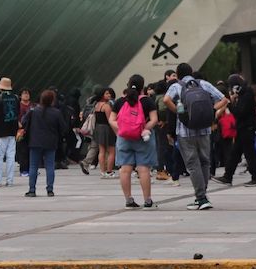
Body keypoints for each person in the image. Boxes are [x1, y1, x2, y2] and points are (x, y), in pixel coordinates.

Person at [163, 63, 228, 210]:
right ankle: (202, 195)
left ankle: (201, 197)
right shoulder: (203, 83)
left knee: (192, 164)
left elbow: (166, 100)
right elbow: (224, 99)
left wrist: (180, 113)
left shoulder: (176, 86)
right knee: (205, 161)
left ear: (178, 74)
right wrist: (210, 111)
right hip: (205, 129)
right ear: (191, 72)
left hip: (185, 131)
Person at [115, 75, 159, 209]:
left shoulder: (120, 101)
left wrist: (121, 130)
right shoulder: (147, 101)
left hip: (124, 138)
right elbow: (154, 119)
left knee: (125, 169)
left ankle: (128, 200)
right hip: (142, 138)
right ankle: (147, 200)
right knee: (143, 168)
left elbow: (112, 119)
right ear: (142, 86)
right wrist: (144, 129)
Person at [215, 74, 256, 187]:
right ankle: (228, 176)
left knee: (250, 154)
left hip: (247, 128)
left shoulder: (246, 95)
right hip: (242, 128)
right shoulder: (244, 94)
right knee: (235, 154)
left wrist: (230, 105)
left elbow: (240, 112)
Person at [21, 89, 67, 197]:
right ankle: (50, 189)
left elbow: (23, 121)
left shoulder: (33, 111)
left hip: (35, 141)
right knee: (50, 166)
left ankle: (32, 190)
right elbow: (63, 128)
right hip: (51, 142)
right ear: (52, 100)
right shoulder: (56, 112)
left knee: (33, 166)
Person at [0, 77, 20, 187]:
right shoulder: (16, 98)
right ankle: (10, 180)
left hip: (0, 131)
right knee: (11, 156)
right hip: (12, 130)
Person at [90, 88, 117, 178]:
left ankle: (102, 171)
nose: (109, 95)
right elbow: (110, 120)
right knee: (111, 151)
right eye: (107, 94)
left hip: (98, 128)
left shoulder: (97, 105)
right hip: (107, 128)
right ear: (102, 95)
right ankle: (109, 171)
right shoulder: (106, 106)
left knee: (101, 150)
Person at [16, 88, 33, 176]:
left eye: (27, 94)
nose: (26, 95)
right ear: (20, 96)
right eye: (24, 94)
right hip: (21, 130)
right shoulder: (18, 106)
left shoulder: (33, 106)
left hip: (32, 130)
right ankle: (23, 170)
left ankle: (31, 169)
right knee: (23, 150)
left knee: (31, 150)